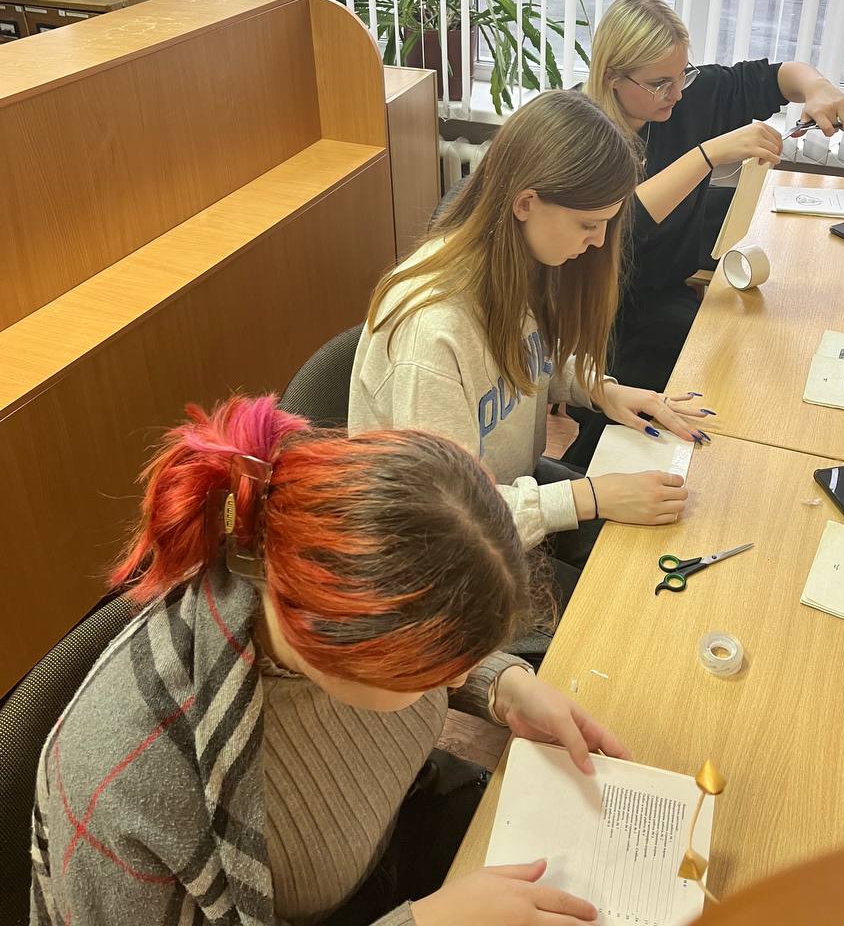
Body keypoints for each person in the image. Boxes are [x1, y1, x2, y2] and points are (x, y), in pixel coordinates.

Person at [31, 395, 628, 926]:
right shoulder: (128, 782)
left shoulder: (316, 607)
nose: (455, 678)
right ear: (340, 645)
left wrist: (504, 685)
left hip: (401, 838)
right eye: (432, 670)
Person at [349, 90, 714, 580]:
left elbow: (524, 359)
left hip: (509, 497)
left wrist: (599, 389)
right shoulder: (432, 332)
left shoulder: (519, 263)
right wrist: (591, 496)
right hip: (444, 559)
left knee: (652, 547)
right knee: (623, 601)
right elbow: (448, 519)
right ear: (526, 203)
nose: (598, 242)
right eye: (589, 224)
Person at [562, 0, 844, 468]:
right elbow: (616, 227)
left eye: (683, 74)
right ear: (613, 77)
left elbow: (774, 78)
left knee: (727, 377)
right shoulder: (577, 128)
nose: (677, 94)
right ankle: (586, 478)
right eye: (660, 83)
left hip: (663, 293)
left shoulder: (687, 95)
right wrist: (708, 155)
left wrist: (817, 87)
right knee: (629, 431)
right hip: (596, 309)